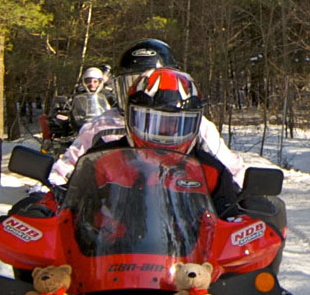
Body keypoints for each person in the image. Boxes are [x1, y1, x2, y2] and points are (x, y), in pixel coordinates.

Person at [47, 38, 243, 187]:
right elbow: (67, 166)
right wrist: (47, 193)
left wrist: (243, 200)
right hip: (114, 215)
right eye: (131, 84)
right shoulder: (102, 126)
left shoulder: (193, 125)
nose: (143, 91)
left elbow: (229, 169)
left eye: (151, 81)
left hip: (182, 212)